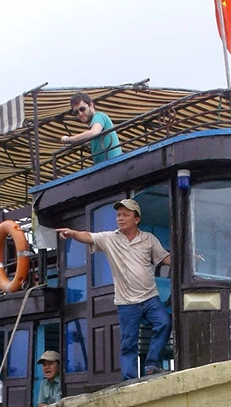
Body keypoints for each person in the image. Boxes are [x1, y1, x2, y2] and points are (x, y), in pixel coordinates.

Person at [55, 199, 171, 380]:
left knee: (164, 323)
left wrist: (189, 256)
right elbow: (88, 236)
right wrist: (72, 234)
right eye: (118, 215)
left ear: (136, 219)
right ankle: (129, 379)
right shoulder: (110, 238)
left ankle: (152, 365)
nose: (120, 218)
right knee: (128, 343)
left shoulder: (149, 239)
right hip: (126, 302)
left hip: (150, 297)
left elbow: (165, 258)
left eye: (126, 215)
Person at [60, 92, 123, 164]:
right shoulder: (93, 125)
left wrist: (70, 139)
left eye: (82, 109)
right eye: (76, 112)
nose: (80, 114)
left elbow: (94, 132)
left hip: (113, 163)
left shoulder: (99, 116)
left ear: (91, 105)